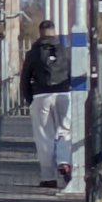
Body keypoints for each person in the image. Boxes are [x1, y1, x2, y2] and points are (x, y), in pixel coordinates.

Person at [20, 20, 72, 189]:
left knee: (44, 137)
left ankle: (48, 177)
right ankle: (64, 162)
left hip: (41, 96)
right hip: (64, 94)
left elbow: (25, 79)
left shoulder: (33, 53)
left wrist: (30, 100)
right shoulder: (66, 51)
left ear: (40, 33)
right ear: (54, 32)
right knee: (64, 131)